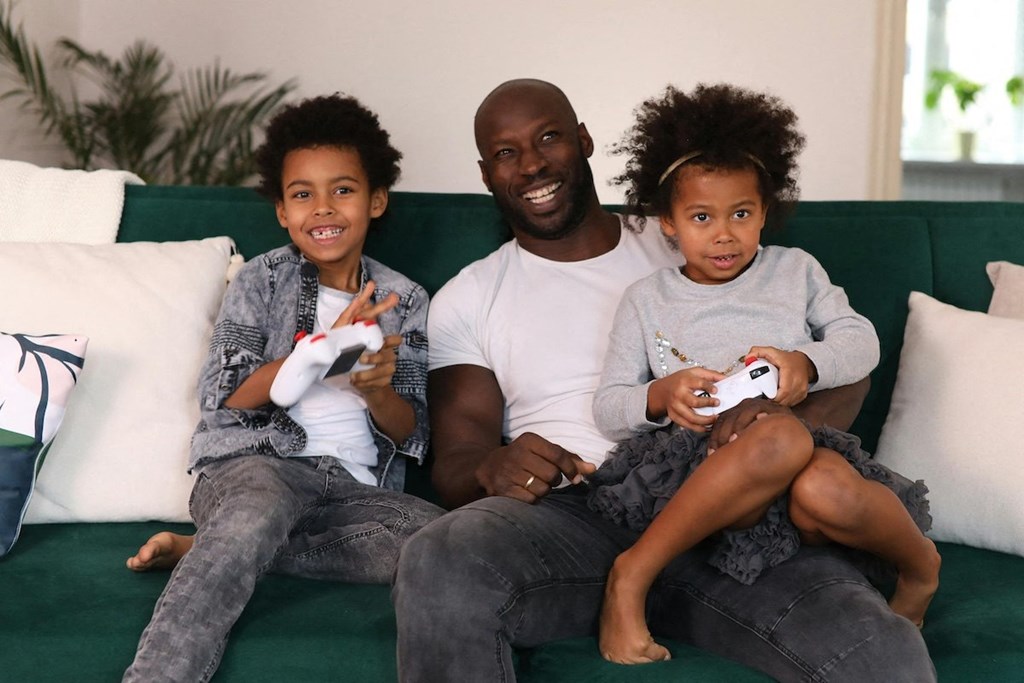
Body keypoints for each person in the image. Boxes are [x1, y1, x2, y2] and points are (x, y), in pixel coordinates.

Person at [391, 78, 936, 682]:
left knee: (881, 653)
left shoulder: (698, 231)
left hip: (744, 516)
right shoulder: (469, 297)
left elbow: (844, 371)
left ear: (584, 140)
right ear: (486, 172)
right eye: (505, 153)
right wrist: (490, 467)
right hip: (574, 513)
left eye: (549, 138)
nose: (531, 164)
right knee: (440, 555)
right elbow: (457, 458)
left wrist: (759, 444)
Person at [588, 82, 940, 664]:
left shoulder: (795, 271)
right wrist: (660, 395)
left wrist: (805, 363)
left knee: (820, 485)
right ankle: (630, 577)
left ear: (764, 213)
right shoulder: (645, 299)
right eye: (701, 216)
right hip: (706, 467)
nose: (724, 232)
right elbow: (609, 405)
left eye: (741, 213)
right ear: (667, 222)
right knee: (773, 443)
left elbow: (862, 342)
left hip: (799, 439)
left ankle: (921, 566)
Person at [123, 94, 443, 682]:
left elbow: (413, 432)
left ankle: (213, 551)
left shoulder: (407, 299)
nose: (323, 208)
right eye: (303, 194)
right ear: (282, 210)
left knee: (443, 543)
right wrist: (315, 352)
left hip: (350, 491)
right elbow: (227, 396)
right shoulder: (260, 281)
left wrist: (377, 393)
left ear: (376, 200)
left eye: (342, 190)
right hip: (257, 469)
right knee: (256, 510)